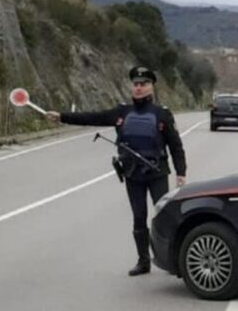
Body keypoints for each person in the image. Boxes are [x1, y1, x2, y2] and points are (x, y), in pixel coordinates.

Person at [45, 66, 186, 276]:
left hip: (157, 172)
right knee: (139, 217)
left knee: (164, 216)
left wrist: (180, 172)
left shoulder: (162, 114)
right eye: (136, 84)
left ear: (152, 87)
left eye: (143, 84)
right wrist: (62, 117)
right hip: (132, 174)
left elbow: (175, 145)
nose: (138, 88)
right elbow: (92, 118)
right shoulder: (122, 112)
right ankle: (143, 261)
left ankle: (171, 260)